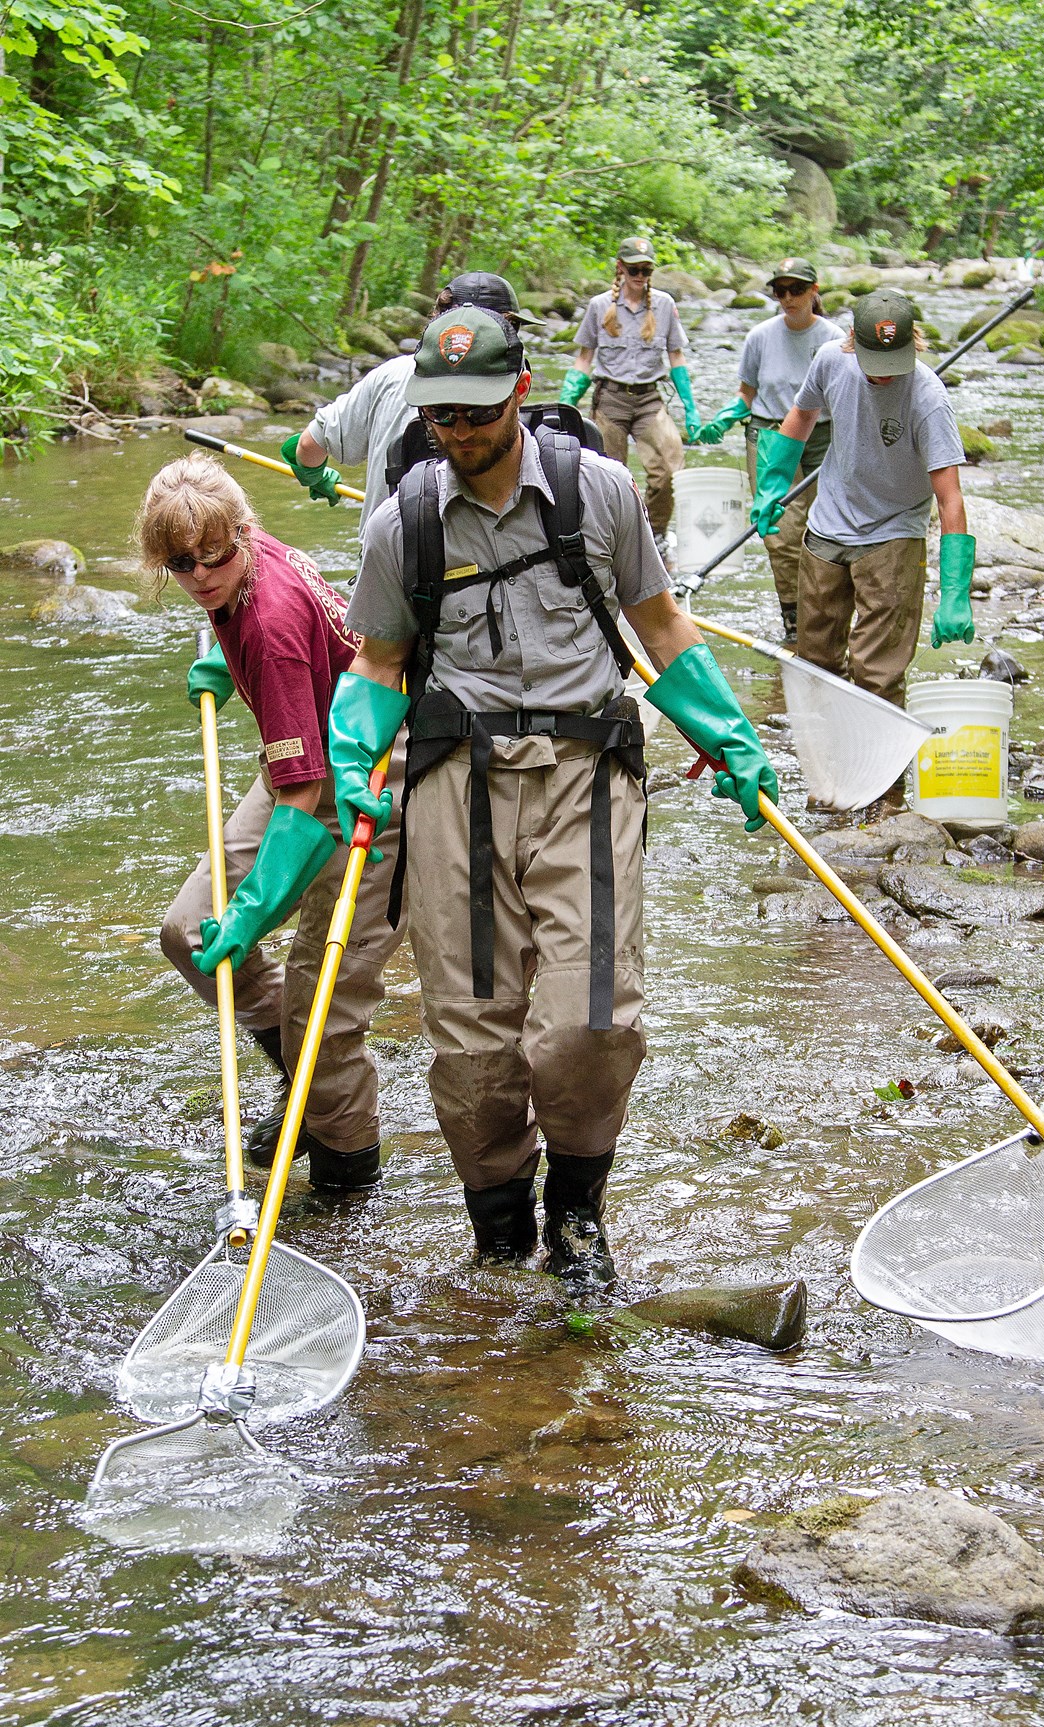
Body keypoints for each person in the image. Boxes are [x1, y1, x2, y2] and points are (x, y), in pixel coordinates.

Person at [327, 306, 778, 1286]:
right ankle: (497, 1229)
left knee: (592, 1017)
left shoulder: (600, 494)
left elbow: (659, 626)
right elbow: (376, 661)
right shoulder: (400, 523)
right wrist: (351, 752)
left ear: (521, 388)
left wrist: (728, 733)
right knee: (472, 1039)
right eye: (441, 416)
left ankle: (576, 1208)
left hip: (588, 771)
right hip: (455, 783)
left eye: (478, 412)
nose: (459, 432)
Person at [145, 453, 407, 1191]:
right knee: (190, 932)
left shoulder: (272, 625)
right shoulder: (247, 576)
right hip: (303, 759)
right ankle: (301, 1083)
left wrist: (255, 911)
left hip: (370, 778)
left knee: (317, 1004)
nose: (200, 575)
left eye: (214, 555)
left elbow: (304, 799)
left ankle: (343, 1177)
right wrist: (229, 668)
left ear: (243, 532)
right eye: (180, 563)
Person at [751, 288, 974, 709]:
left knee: (877, 674)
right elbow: (801, 413)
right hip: (828, 525)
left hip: (893, 532)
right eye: (875, 364)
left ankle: (882, 776)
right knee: (814, 663)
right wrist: (774, 481)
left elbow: (950, 497)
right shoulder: (831, 359)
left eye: (893, 364)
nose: (884, 375)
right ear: (852, 340)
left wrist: (955, 592)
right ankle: (825, 766)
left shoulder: (928, 397)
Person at [283, 272, 541, 528]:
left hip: (386, 552)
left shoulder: (388, 374)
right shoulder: (510, 387)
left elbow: (307, 446)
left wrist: (315, 476)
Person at [694, 256, 841, 639]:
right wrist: (725, 418)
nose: (788, 298)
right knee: (779, 531)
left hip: (823, 437)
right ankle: (794, 619)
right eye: (780, 291)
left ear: (814, 291)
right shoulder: (759, 336)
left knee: (830, 529)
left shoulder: (833, 339)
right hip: (769, 436)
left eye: (796, 290)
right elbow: (746, 395)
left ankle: (828, 615)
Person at [560, 237, 701, 552]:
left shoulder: (664, 305)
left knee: (669, 469)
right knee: (609, 478)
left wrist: (690, 407)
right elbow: (584, 358)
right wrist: (566, 403)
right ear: (620, 268)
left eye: (646, 269)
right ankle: (615, 540)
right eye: (634, 269)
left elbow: (676, 356)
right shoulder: (599, 306)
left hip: (649, 400)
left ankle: (656, 534)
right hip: (610, 399)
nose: (640, 275)